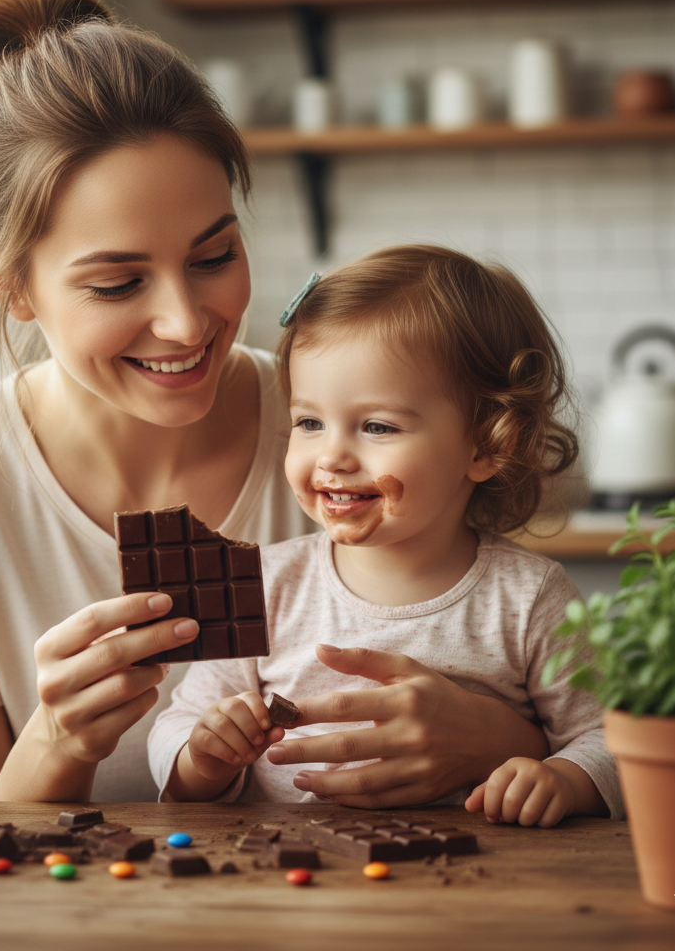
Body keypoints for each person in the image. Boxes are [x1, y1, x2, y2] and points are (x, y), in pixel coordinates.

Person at [0, 0, 548, 805]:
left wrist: (499, 739)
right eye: (117, 283)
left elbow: (530, 679)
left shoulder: (345, 438)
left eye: (214, 257)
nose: (186, 323)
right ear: (11, 286)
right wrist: (59, 739)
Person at [150, 245, 624, 826]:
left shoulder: (531, 598)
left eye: (377, 426)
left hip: (481, 886)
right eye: (309, 423)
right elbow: (176, 724)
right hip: (282, 889)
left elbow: (611, 743)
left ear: (488, 445)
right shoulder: (263, 584)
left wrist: (563, 779)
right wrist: (203, 757)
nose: (331, 455)